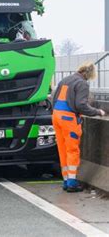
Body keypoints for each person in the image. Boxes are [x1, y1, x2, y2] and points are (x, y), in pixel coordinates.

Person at [52, 62, 105, 192]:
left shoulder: (66, 79)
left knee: (62, 150)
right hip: (68, 119)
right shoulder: (82, 83)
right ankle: (71, 183)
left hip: (56, 116)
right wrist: (98, 112)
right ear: (89, 74)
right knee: (72, 150)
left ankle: (65, 180)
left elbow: (54, 98)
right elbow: (81, 105)